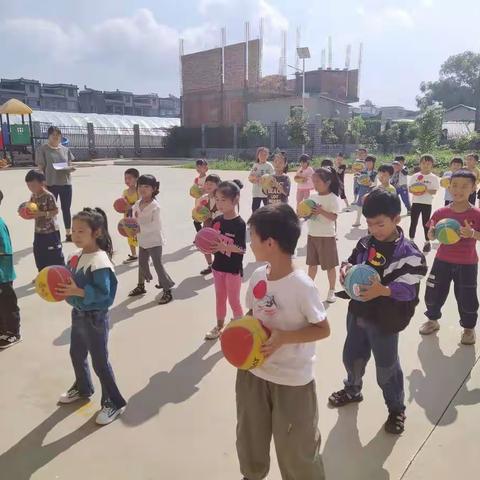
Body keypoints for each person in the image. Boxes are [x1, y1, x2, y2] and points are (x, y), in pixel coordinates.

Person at [237, 203, 330, 480]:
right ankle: (252, 474)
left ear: (269, 243)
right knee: (250, 435)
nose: (249, 243)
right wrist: (238, 330)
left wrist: (285, 338)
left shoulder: (302, 285)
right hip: (253, 373)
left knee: (297, 449)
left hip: (292, 382)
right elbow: (252, 314)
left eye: (252, 237)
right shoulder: (257, 276)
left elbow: (322, 328)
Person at [329, 189, 427, 434]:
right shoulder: (365, 242)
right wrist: (346, 271)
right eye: (369, 224)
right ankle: (353, 388)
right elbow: (350, 261)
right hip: (358, 311)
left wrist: (383, 290)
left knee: (387, 367)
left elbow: (409, 290)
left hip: (385, 319)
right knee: (352, 356)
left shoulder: (409, 253)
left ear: (397, 219)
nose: (374, 229)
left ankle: (396, 409)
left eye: (380, 224)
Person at [56, 208, 126, 425]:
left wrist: (78, 292)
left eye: (81, 232)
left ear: (96, 233)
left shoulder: (100, 261)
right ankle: (83, 387)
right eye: (74, 231)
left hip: (95, 318)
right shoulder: (76, 256)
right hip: (78, 314)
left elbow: (105, 296)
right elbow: (68, 280)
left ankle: (113, 402)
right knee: (76, 353)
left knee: (100, 362)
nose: (75, 236)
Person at [421, 169, 480, 345]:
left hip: (467, 263)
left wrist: (473, 233)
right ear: (449, 186)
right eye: (454, 185)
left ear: (473, 188)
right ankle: (432, 320)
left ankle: (468, 328)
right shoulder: (440, 213)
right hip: (442, 261)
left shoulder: (476, 214)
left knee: (467, 296)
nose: (458, 190)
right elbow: (431, 234)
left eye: (464, 186)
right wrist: (431, 235)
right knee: (433, 292)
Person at [204, 180, 246, 340]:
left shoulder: (240, 224)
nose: (219, 204)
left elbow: (242, 249)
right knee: (220, 298)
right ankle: (219, 326)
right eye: (217, 200)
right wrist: (206, 244)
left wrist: (226, 247)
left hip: (233, 270)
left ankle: (241, 327)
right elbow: (210, 242)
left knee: (234, 300)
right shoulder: (217, 221)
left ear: (235, 200)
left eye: (223, 200)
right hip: (218, 267)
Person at [128, 175, 174, 304]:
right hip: (142, 240)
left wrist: (139, 229)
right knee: (142, 263)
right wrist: (130, 229)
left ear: (154, 189)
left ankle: (167, 290)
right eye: (140, 186)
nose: (143, 189)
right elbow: (133, 220)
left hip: (154, 241)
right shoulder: (137, 204)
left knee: (158, 265)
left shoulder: (155, 206)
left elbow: (156, 226)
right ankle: (141, 286)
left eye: (146, 186)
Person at [306, 167, 340, 304]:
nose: (314, 184)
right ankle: (307, 289)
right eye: (313, 181)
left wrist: (321, 211)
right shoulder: (312, 196)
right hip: (312, 235)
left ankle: (332, 290)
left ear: (327, 183)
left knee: (330, 266)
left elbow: (334, 217)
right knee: (312, 265)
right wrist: (304, 212)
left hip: (327, 237)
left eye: (317, 182)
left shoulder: (333, 198)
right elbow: (307, 214)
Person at [36, 126, 75, 242]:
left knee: (66, 209)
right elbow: (41, 168)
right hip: (51, 184)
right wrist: (43, 184)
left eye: (58, 135)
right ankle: (51, 234)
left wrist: (71, 168)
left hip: (66, 184)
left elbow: (69, 164)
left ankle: (68, 234)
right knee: (51, 210)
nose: (56, 138)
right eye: (54, 135)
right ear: (48, 136)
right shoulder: (43, 149)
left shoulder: (65, 149)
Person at [25, 170, 65, 272]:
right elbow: (30, 207)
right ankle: (42, 272)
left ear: (42, 183)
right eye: (29, 186)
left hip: (50, 231)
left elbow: (56, 211)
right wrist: (25, 212)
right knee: (39, 253)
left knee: (54, 253)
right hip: (38, 231)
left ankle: (61, 272)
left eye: (33, 186)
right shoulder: (33, 195)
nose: (31, 188)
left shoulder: (48, 196)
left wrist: (42, 214)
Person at [0, 190, 21, 349]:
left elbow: (5, 251)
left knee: (8, 305)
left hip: (3, 275)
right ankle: (2, 330)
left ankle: (13, 333)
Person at [408, 154, 439, 253]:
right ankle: (411, 241)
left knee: (426, 224)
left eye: (428, 163)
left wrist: (424, 189)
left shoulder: (433, 177)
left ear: (432, 165)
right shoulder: (415, 176)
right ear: (420, 164)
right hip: (416, 203)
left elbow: (434, 191)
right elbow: (410, 189)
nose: (425, 165)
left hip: (427, 204)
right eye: (423, 163)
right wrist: (416, 190)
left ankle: (427, 242)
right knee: (413, 222)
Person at [196, 173, 222, 275]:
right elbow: (197, 210)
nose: (208, 185)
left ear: (218, 185)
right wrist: (198, 212)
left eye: (211, 183)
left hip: (218, 227)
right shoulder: (204, 198)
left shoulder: (220, 198)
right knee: (205, 246)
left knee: (217, 247)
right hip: (206, 225)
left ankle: (218, 265)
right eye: (207, 183)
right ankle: (210, 265)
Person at [353, 155, 377, 227]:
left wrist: (370, 183)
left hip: (371, 190)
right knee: (359, 205)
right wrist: (357, 179)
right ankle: (357, 221)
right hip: (362, 190)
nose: (368, 164)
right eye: (367, 162)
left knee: (371, 207)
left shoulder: (375, 172)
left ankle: (371, 222)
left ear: (373, 163)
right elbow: (358, 181)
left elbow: (375, 183)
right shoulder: (362, 171)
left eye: (370, 162)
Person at [122, 168, 140, 264]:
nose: (127, 181)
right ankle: (133, 255)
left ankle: (145, 254)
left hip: (138, 218)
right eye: (125, 179)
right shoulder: (125, 192)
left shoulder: (139, 191)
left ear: (136, 179)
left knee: (141, 236)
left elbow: (141, 204)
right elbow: (122, 204)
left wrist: (131, 206)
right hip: (128, 217)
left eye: (129, 178)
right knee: (130, 235)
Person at [249, 147, 273, 212]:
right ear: (258, 155)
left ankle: (268, 221)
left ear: (268, 156)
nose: (263, 156)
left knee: (268, 210)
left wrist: (266, 179)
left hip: (266, 192)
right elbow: (250, 178)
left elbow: (273, 177)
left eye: (265, 154)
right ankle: (255, 222)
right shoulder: (255, 165)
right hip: (256, 192)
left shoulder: (269, 166)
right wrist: (256, 178)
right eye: (261, 154)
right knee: (255, 209)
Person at [193, 159, 209, 232]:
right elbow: (194, 190)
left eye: (201, 167)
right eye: (197, 167)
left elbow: (209, 190)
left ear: (206, 168)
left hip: (205, 203)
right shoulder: (196, 179)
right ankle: (200, 235)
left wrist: (202, 190)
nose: (198, 169)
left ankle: (203, 236)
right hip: (198, 202)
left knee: (206, 222)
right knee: (196, 221)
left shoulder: (208, 179)